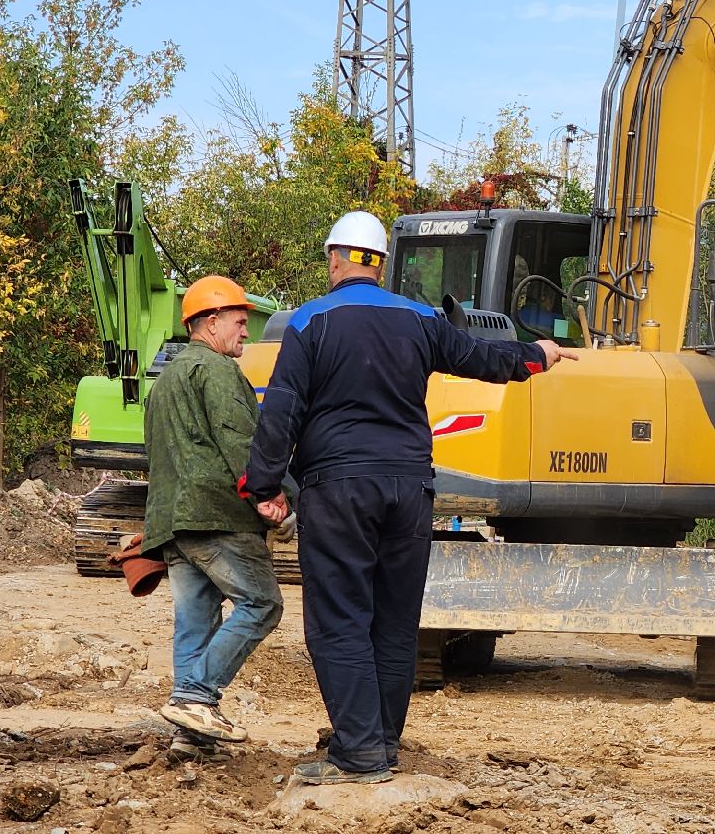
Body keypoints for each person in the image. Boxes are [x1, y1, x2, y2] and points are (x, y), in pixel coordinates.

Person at [241, 211, 577, 785]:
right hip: (410, 490)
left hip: (339, 489)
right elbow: (480, 358)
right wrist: (537, 355)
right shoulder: (419, 318)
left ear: (336, 258)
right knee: (394, 622)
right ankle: (382, 745)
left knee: (340, 620)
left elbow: (282, 409)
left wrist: (265, 485)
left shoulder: (309, 322)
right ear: (380, 264)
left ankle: (358, 755)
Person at [138, 275, 285, 761]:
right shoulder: (218, 371)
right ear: (211, 321)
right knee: (262, 604)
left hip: (172, 524)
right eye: (241, 323)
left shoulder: (165, 381)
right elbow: (240, 440)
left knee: (195, 624)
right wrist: (268, 496)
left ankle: (189, 737)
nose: (246, 333)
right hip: (217, 517)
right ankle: (196, 697)